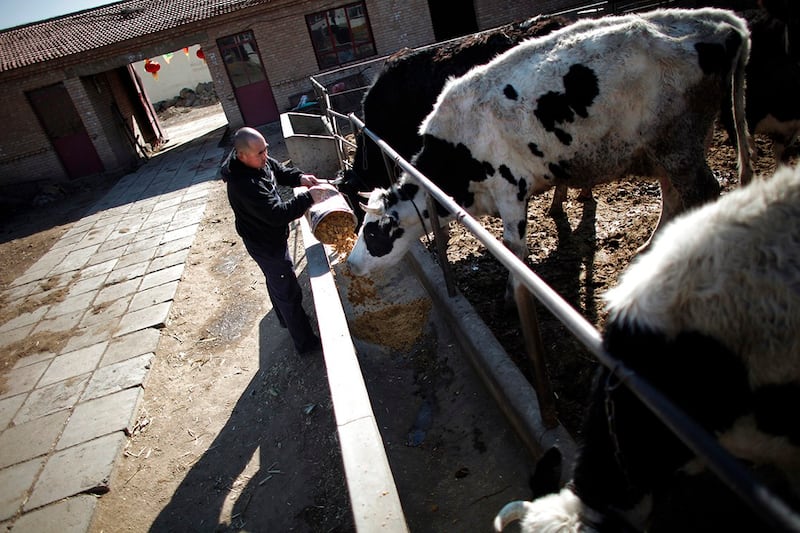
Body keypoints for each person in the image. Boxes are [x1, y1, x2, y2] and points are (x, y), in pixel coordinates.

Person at [221, 126, 335, 355]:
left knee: (276, 280)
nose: (265, 156)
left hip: (269, 236)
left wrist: (300, 178)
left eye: (266, 150)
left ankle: (285, 318)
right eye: (260, 154)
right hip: (265, 243)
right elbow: (277, 214)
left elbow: (277, 170)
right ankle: (305, 343)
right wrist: (309, 198)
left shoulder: (256, 160)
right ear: (242, 156)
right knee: (288, 289)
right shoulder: (245, 184)